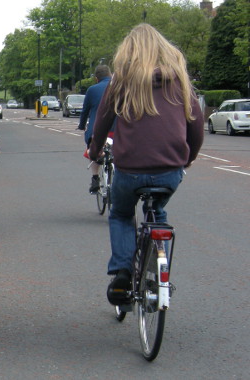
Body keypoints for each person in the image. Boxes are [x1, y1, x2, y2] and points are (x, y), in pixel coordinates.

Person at [88, 24, 204, 305]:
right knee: (158, 210)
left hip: (130, 170)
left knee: (120, 214)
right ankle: (158, 270)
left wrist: (94, 151)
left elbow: (102, 122)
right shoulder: (180, 81)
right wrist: (186, 159)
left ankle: (122, 272)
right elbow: (197, 127)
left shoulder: (122, 81)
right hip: (170, 170)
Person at [78, 65, 113, 194]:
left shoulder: (92, 90)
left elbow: (85, 111)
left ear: (96, 79)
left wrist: (82, 126)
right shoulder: (120, 87)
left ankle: (95, 178)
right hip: (118, 130)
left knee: (94, 151)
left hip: (97, 130)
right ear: (110, 75)